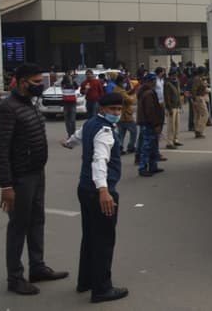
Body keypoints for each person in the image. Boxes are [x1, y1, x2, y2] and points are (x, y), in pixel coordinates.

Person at [0, 63, 69, 295]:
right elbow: (1, 151)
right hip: (20, 178)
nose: (40, 85)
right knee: (18, 226)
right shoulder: (8, 108)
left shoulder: (30, 103)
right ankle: (15, 278)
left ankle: (37, 267)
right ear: (22, 82)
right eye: (36, 82)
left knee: (37, 221)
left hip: (37, 172)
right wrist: (6, 185)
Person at [75, 92, 129, 303]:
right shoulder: (105, 131)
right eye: (112, 109)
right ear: (102, 109)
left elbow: (79, 135)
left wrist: (68, 142)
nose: (116, 113)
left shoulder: (91, 123)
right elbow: (99, 161)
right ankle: (102, 289)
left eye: (119, 109)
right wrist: (104, 191)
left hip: (84, 188)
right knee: (104, 241)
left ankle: (86, 280)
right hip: (100, 191)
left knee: (90, 236)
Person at [137, 73, 164, 177]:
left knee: (153, 146)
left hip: (147, 123)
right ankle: (143, 168)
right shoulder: (148, 93)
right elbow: (150, 111)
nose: (155, 82)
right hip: (149, 123)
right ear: (150, 81)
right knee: (147, 147)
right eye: (154, 80)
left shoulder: (145, 91)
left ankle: (153, 166)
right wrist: (156, 124)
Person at [113, 74, 137, 155]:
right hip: (126, 115)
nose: (125, 83)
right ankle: (131, 146)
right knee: (134, 131)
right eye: (124, 82)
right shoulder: (121, 91)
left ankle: (119, 147)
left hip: (119, 115)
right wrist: (134, 95)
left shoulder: (117, 89)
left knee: (121, 132)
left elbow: (125, 94)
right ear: (120, 82)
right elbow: (130, 100)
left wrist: (131, 91)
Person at [163, 68, 183, 148]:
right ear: (170, 75)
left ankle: (175, 139)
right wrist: (169, 108)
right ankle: (169, 142)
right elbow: (167, 97)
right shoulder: (168, 84)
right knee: (171, 126)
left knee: (177, 125)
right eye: (173, 74)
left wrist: (180, 105)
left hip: (177, 106)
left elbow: (178, 94)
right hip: (171, 107)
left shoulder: (176, 83)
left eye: (175, 74)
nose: (175, 76)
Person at [192, 67, 209, 138]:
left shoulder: (198, 78)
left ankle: (197, 130)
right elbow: (194, 89)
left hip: (197, 97)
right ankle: (199, 130)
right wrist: (195, 99)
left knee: (198, 115)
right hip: (199, 97)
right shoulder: (198, 79)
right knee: (205, 114)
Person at [61, 74, 78, 139]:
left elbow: (76, 87)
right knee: (67, 120)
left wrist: (73, 80)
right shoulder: (63, 84)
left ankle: (73, 134)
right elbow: (66, 84)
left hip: (72, 103)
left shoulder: (73, 83)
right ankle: (69, 134)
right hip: (65, 104)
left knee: (72, 120)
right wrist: (71, 79)